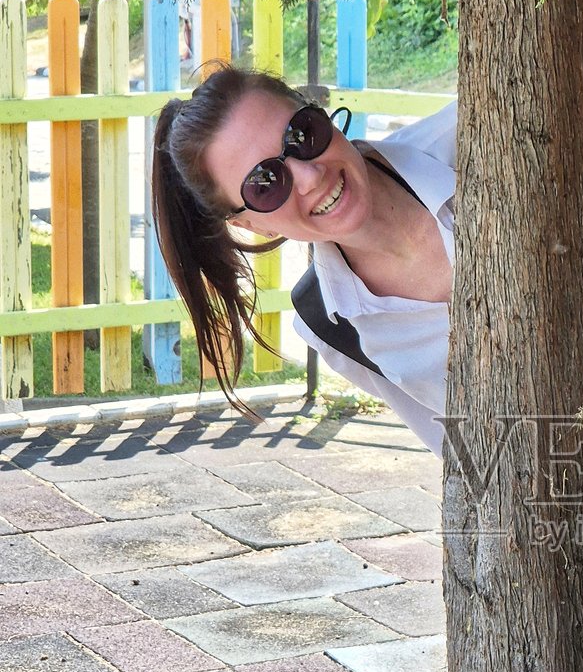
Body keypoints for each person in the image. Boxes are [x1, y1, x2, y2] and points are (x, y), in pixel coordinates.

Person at [151, 66, 455, 452]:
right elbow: (465, 449)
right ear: (251, 224)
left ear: (321, 115)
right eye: (265, 184)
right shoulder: (331, 326)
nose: (310, 177)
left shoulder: (466, 142)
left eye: (302, 134)